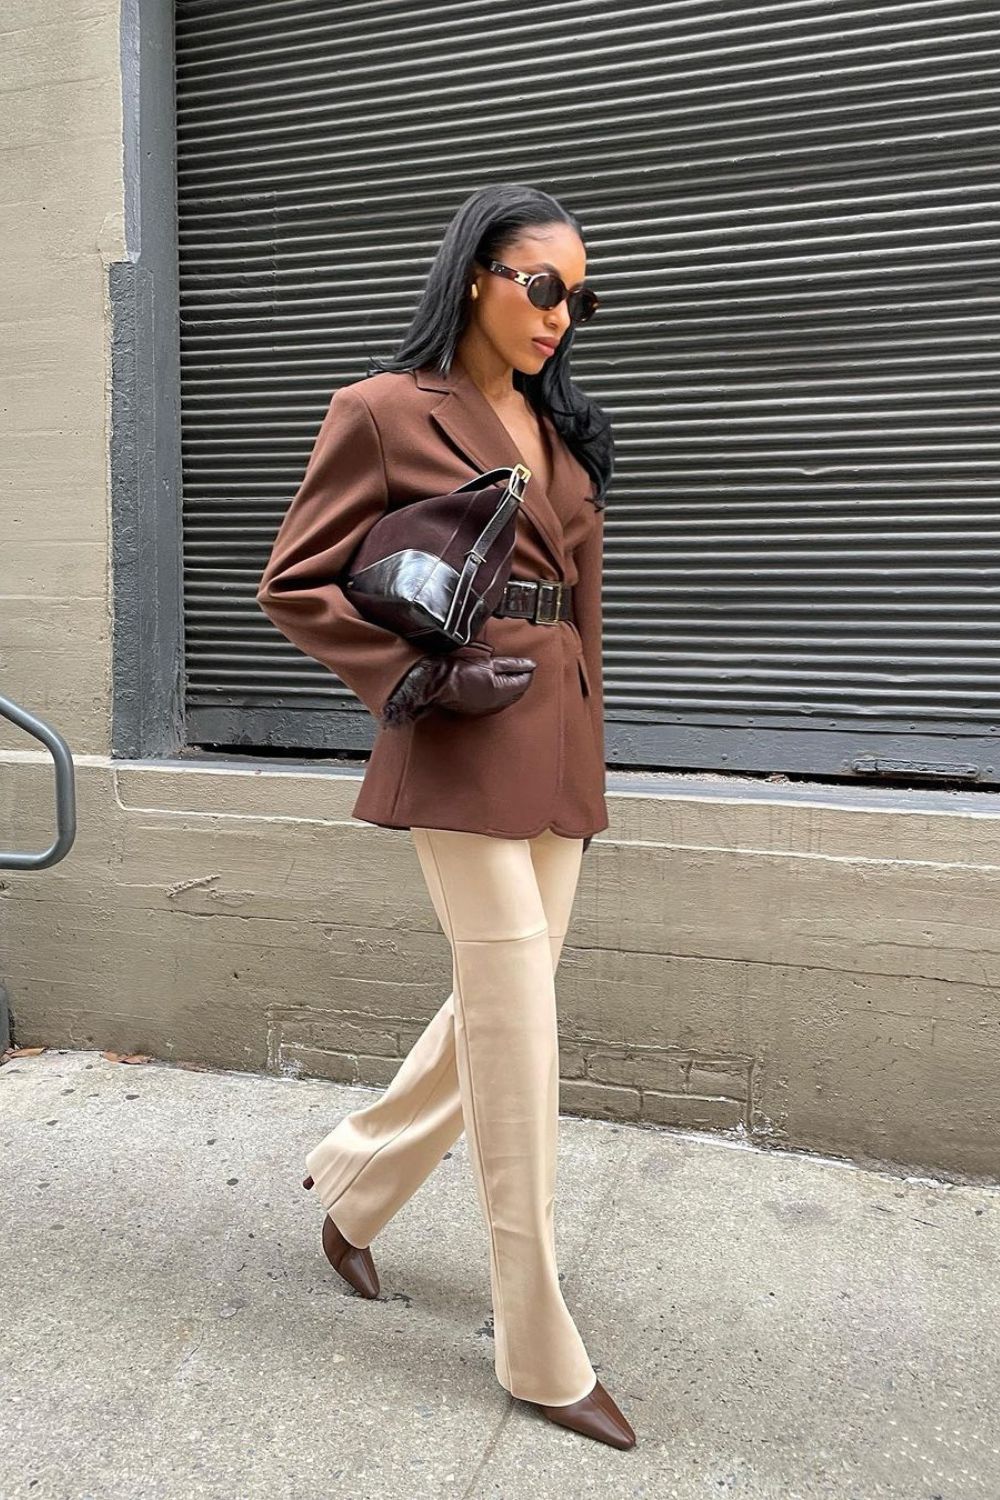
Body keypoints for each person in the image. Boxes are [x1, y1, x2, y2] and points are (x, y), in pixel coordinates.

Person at [255, 184, 634, 1451]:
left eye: (580, 297)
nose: (561, 314)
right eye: (543, 285)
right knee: (519, 1030)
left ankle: (355, 1187)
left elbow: (581, 600)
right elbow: (294, 581)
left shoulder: (559, 424)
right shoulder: (381, 409)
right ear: (477, 274)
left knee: (496, 1007)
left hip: (554, 740)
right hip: (462, 733)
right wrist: (416, 677)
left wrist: (589, 760)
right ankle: (536, 1340)